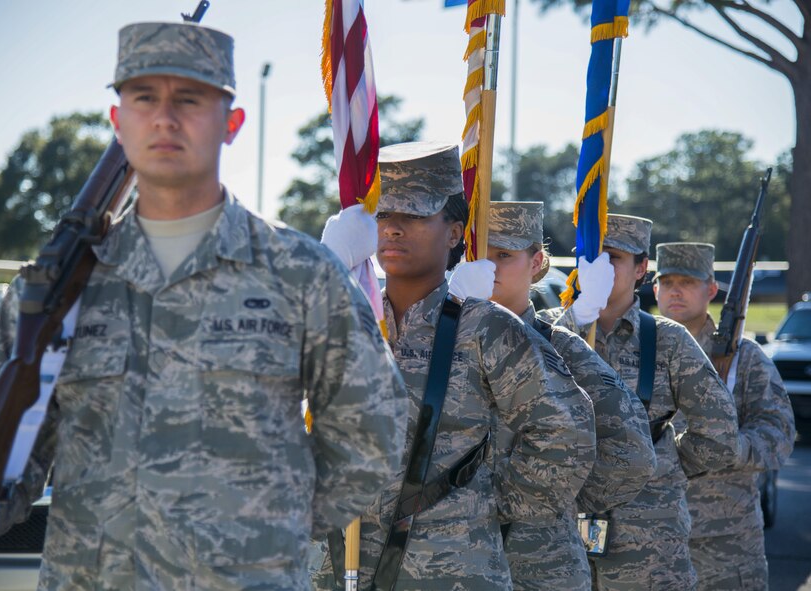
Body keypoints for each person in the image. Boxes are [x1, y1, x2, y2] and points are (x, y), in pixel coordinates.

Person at [0, 21, 407, 590]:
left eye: (189, 98)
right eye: (144, 97)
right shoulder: (53, 290)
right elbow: (8, 451)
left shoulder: (300, 274)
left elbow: (371, 434)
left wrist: (269, 528)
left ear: (232, 123)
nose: (165, 117)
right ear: (118, 122)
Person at [313, 142, 596, 590]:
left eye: (416, 216)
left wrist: (484, 505)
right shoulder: (345, 319)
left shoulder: (484, 327)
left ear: (454, 232)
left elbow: (565, 434)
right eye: (383, 216)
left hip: (451, 573)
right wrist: (322, 272)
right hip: (339, 566)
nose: (394, 230)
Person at [447, 201, 657, 591]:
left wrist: (547, 501)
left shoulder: (559, 346)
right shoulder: (435, 346)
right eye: (477, 255)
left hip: (536, 567)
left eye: (504, 255)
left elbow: (632, 453)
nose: (488, 267)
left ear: (537, 261)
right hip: (447, 567)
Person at [542, 214, 741, 590]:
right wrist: (576, 319)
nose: (597, 266)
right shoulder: (545, 328)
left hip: (648, 540)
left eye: (613, 257)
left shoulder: (668, 340)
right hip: (556, 536)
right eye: (590, 255)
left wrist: (657, 462)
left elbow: (719, 434)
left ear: (641, 269)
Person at [654, 241, 795, 590]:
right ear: (654, 288)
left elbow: (779, 434)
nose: (675, 291)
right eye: (667, 282)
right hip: (653, 540)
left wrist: (729, 447)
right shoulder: (639, 352)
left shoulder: (745, 358)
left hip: (726, 543)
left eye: (686, 282)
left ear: (712, 289)